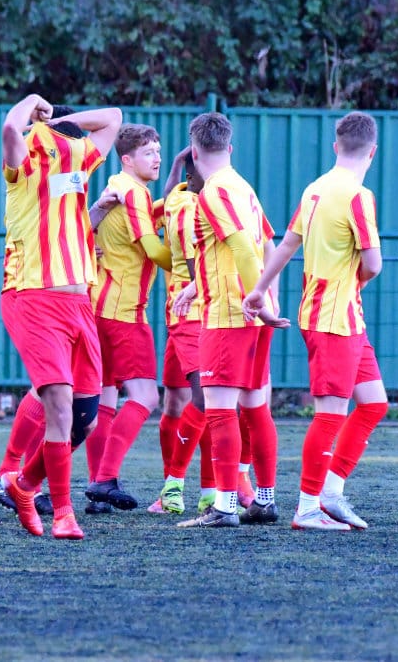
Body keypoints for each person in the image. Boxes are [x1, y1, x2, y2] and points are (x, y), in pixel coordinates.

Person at [244, 110, 389, 531]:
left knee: (374, 402)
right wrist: (356, 282)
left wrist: (259, 288)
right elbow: (373, 264)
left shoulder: (315, 189)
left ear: (335, 146)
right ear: (373, 152)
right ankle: (307, 507)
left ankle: (330, 491)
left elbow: (287, 244)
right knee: (330, 413)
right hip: (333, 318)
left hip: (339, 317)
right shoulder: (358, 196)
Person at [0, 93, 122, 539]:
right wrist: (33, 104)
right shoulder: (22, 167)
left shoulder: (76, 161)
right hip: (33, 297)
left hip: (79, 303)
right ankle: (63, 513)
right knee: (59, 403)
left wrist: (59, 123)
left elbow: (113, 118)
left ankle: (24, 484)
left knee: (85, 418)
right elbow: (10, 128)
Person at [175, 113, 288, 529]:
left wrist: (256, 299)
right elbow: (267, 243)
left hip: (230, 314)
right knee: (255, 408)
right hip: (251, 314)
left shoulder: (213, 192)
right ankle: (264, 500)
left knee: (221, 411)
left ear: (194, 151)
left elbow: (241, 247)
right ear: (230, 147)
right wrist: (267, 297)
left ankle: (223, 507)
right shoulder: (243, 186)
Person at [83, 124, 171, 511]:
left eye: (158, 151)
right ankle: (104, 479)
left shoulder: (118, 187)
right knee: (146, 396)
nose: (156, 157)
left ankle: (97, 488)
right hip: (123, 312)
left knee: (103, 399)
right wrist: (197, 267)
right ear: (127, 159)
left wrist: (171, 201)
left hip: (98, 308)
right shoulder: (133, 192)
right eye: (149, 152)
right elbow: (153, 250)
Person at [148, 148, 215, 515]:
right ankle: (176, 487)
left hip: (179, 315)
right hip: (193, 313)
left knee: (179, 401)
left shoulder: (178, 198)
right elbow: (195, 268)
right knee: (203, 400)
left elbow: (169, 192)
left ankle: (199, 490)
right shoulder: (191, 207)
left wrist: (176, 164)